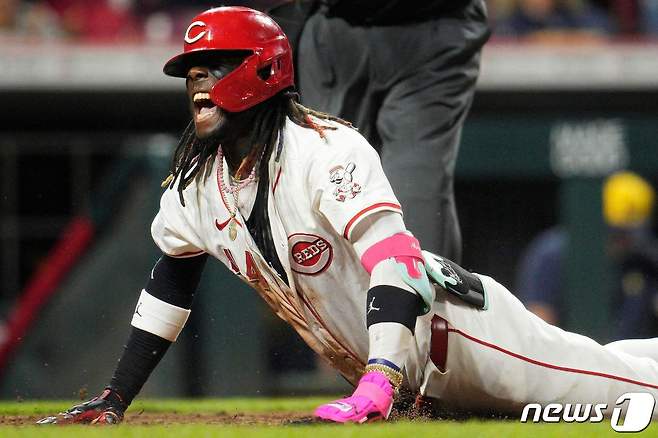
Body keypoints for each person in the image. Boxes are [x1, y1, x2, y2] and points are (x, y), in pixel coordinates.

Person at [39, 7, 658, 426]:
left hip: (460, 335)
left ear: (264, 70)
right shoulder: (196, 185)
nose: (200, 80)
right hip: (409, 374)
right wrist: (117, 394)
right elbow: (171, 278)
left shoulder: (324, 147)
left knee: (622, 395)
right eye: (192, 72)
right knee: (608, 362)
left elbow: (400, 261)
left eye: (217, 65)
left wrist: (381, 377)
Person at [297, 0, 491, 262]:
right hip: (418, 30)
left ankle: (414, 295)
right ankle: (417, 297)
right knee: (330, 193)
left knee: (334, 189)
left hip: (417, 35)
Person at [517, 171, 658, 337]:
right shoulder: (555, 251)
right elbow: (539, 324)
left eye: (628, 235)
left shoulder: (642, 259)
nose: (623, 242)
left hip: (630, 358)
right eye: (617, 234)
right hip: (572, 358)